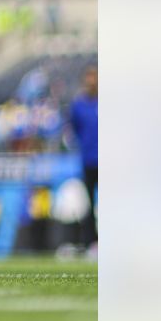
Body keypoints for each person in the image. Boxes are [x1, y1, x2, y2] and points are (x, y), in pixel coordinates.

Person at [68, 64, 98, 248]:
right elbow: (75, 129)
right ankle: (91, 243)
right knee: (88, 203)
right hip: (89, 160)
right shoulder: (79, 105)